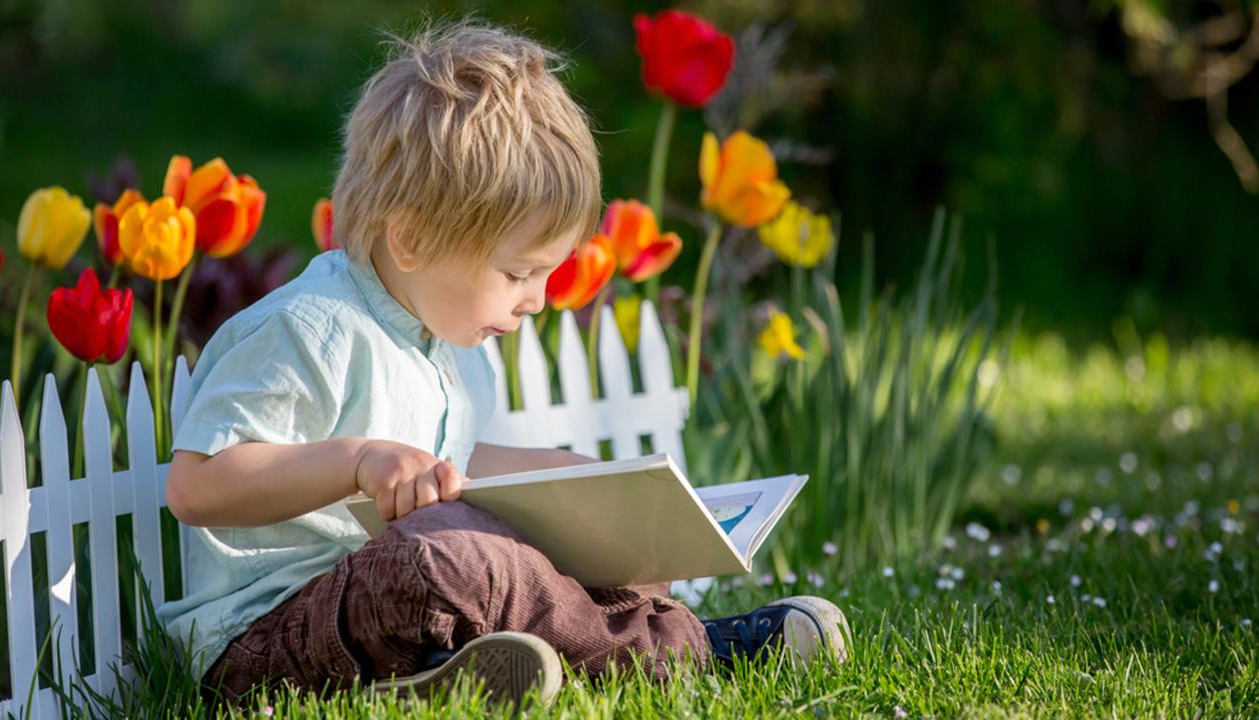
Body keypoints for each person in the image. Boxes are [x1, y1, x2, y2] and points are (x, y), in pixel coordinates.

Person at [157, 19, 851, 710]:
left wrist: (585, 489)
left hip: (385, 618)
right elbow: (197, 485)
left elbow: (454, 463)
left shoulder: (450, 346)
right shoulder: (310, 328)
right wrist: (357, 459)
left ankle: (442, 677)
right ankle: (693, 652)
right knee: (452, 555)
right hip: (265, 643)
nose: (538, 301)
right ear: (413, 237)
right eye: (520, 272)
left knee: (586, 546)